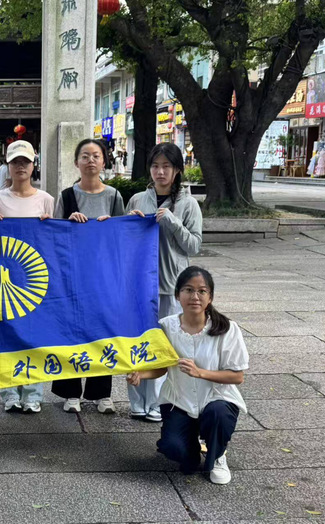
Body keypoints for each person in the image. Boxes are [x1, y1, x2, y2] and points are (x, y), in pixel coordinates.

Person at [127, 267, 248, 485]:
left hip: (217, 399)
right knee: (177, 452)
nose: (195, 296)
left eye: (202, 291)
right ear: (177, 295)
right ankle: (191, 446)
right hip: (179, 400)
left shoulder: (227, 328)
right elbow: (162, 368)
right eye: (188, 290)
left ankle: (217, 453)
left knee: (217, 414)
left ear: (210, 297)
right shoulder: (166, 327)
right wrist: (141, 375)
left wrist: (200, 372)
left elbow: (237, 376)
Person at [126, 142, 203, 422]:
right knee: (137, 342)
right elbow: (121, 240)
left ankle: (158, 403)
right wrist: (129, 224)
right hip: (138, 285)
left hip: (170, 285)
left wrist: (172, 221)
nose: (160, 172)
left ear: (177, 170)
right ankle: (137, 401)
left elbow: (194, 245)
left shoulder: (188, 204)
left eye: (166, 166)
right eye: (155, 166)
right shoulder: (137, 200)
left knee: (165, 344)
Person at [52, 138, 125, 414]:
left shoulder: (114, 196)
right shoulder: (66, 196)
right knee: (71, 332)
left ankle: (101, 393)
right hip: (72, 275)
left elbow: (123, 234)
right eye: (85, 156)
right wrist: (68, 223)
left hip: (102, 276)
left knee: (101, 331)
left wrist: (111, 226)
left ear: (104, 162)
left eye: (96, 156)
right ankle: (71, 392)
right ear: (76, 162)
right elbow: (54, 235)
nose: (90, 160)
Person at [0, 140, 53, 414]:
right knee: (6, 335)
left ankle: (33, 393)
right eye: (15, 162)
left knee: (33, 336)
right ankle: (9, 393)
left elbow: (54, 238)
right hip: (3, 275)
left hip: (35, 277)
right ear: (8, 166)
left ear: (33, 165)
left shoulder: (46, 199)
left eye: (25, 162)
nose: (20, 167)